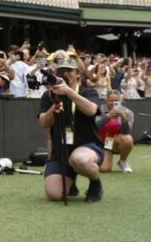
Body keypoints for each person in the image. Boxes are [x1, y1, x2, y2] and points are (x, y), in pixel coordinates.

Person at [38, 55, 104, 202]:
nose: (66, 74)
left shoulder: (87, 92)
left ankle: (95, 182)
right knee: (54, 194)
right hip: (61, 151)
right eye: (62, 71)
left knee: (80, 160)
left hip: (87, 146)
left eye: (70, 70)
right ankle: (70, 181)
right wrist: (55, 104)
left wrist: (69, 92)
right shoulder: (49, 95)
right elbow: (44, 123)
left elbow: (92, 110)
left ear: (78, 73)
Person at [98, 91, 135, 173]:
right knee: (105, 169)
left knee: (127, 139)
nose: (114, 103)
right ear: (106, 100)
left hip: (115, 141)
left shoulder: (128, 112)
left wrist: (124, 119)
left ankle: (123, 161)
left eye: (116, 101)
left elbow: (126, 132)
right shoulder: (98, 110)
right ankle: (97, 159)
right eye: (111, 101)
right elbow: (94, 126)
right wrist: (108, 116)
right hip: (101, 142)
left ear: (120, 101)